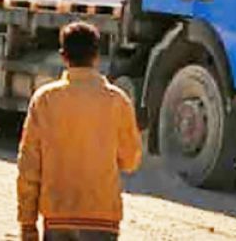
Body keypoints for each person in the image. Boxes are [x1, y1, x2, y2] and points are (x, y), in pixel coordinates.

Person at [17, 21, 142, 241]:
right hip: (103, 219)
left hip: (58, 217)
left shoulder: (45, 100)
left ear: (63, 56)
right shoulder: (118, 101)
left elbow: (29, 165)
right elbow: (130, 161)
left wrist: (27, 223)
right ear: (96, 56)